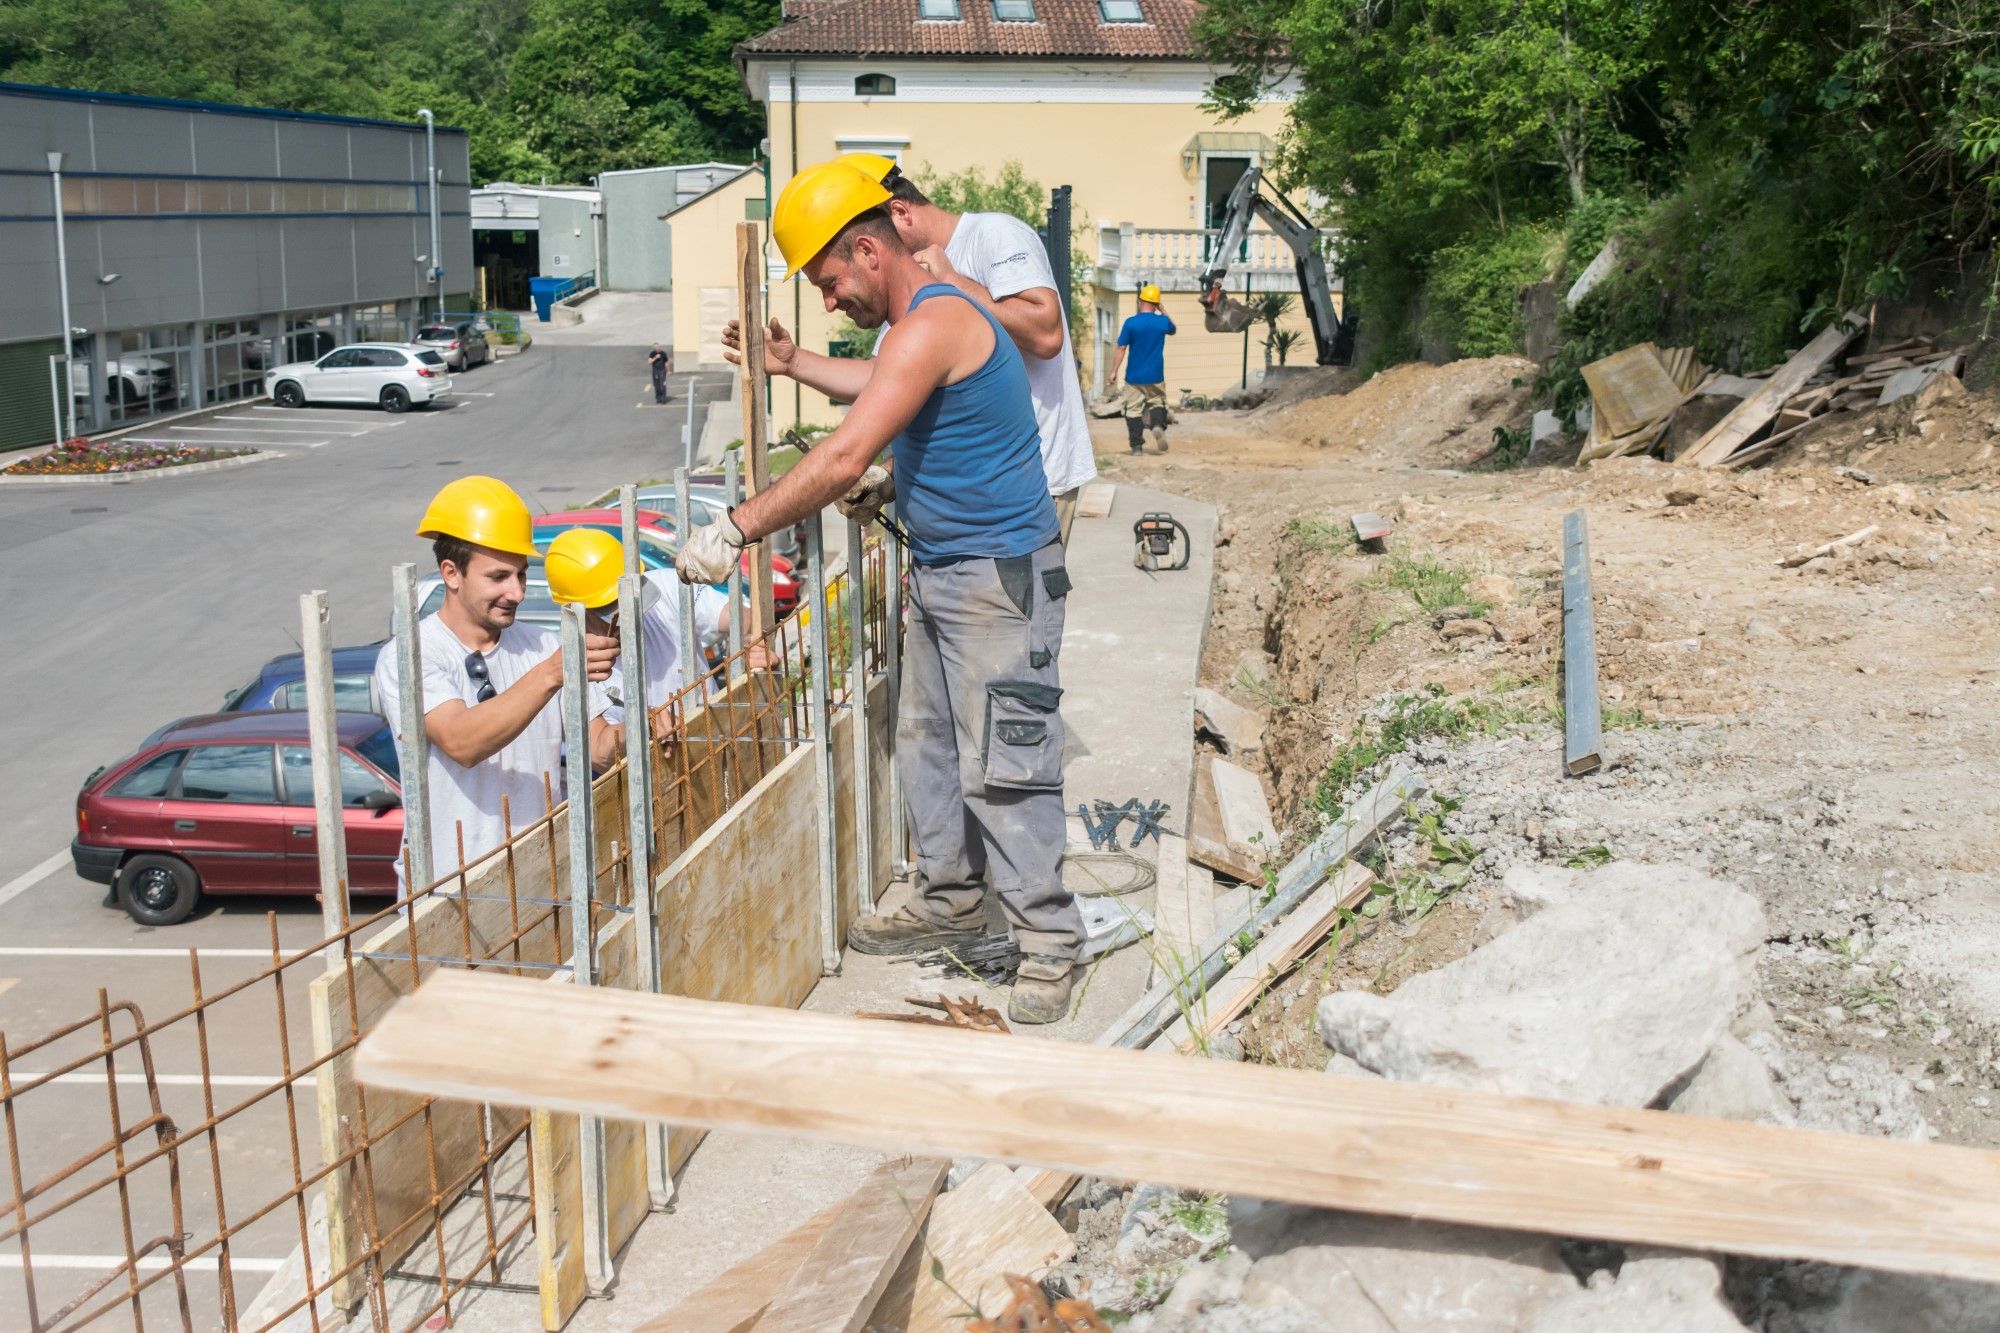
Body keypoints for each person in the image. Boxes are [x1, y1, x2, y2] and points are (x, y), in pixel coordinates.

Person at [677, 159, 1083, 1024]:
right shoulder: (921, 323)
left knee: (1006, 763)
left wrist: (736, 528)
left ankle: (1050, 943)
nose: (831, 301)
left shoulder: (935, 320)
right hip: (948, 569)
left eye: (830, 283)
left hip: (997, 579)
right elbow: (880, 386)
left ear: (868, 248)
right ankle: (952, 894)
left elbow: (841, 454)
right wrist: (792, 365)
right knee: (928, 742)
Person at [373, 476, 619, 888]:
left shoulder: (542, 646)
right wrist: (554, 672)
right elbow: (462, 742)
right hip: (451, 890)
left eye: (521, 575)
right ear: (451, 573)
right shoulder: (412, 655)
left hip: (541, 875)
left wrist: (646, 731)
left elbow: (598, 749)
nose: (517, 592)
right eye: (499, 576)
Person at [841, 152, 1097, 544]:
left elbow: (1047, 335)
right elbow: (880, 377)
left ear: (900, 212)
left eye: (877, 233)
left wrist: (955, 281)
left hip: (1032, 488)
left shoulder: (993, 235)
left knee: (1017, 605)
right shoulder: (912, 276)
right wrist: (789, 363)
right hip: (975, 496)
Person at [542, 527, 742, 724]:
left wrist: (745, 638)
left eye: (632, 600)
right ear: (576, 611)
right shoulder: (574, 667)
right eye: (614, 609)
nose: (630, 617)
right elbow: (600, 749)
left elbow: (736, 615)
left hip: (719, 736)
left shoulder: (669, 586)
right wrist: (641, 727)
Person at [1105, 283, 1176, 455]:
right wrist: (1163, 311)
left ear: (1139, 302)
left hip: (1134, 377)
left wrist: (1114, 371)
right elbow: (1173, 329)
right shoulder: (1162, 322)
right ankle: (1157, 426)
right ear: (1156, 304)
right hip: (1156, 375)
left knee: (1133, 410)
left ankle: (1136, 446)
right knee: (1157, 402)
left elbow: (1121, 348)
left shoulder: (1131, 323)